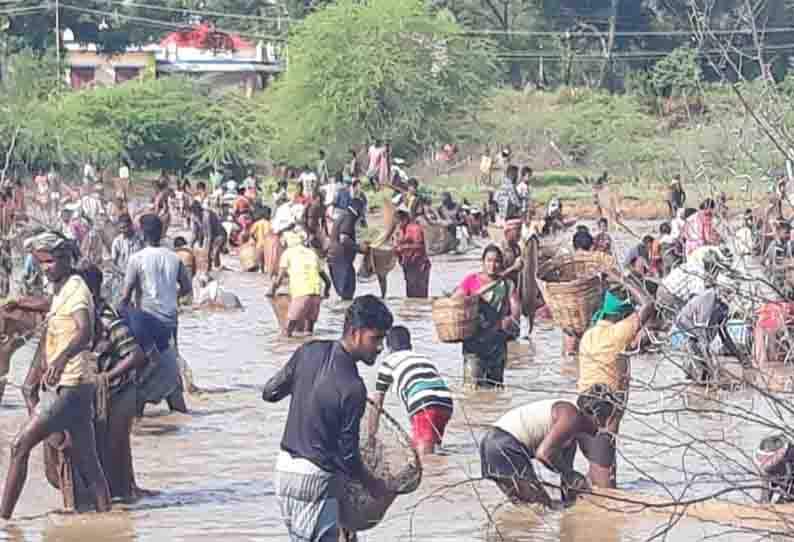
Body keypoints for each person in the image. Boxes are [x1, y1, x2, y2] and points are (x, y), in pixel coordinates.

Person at [263, 295, 393, 542]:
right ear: (355, 333)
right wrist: (373, 484)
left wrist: (305, 387)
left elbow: (270, 393)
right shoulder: (353, 388)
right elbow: (349, 456)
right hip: (315, 479)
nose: (379, 347)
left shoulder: (309, 351)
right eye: (375, 338)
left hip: (284, 471)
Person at [0, 232, 111, 519]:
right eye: (40, 263)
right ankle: (111, 519)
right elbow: (51, 305)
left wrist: (60, 359)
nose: (44, 268)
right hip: (78, 387)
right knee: (89, 461)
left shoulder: (76, 290)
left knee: (18, 447)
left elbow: (85, 330)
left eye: (48, 262)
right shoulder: (65, 287)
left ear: (63, 259)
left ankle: (4, 522)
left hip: (68, 387)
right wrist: (21, 302)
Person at [479, 386, 619, 506]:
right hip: (504, 445)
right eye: (603, 421)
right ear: (592, 414)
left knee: (527, 509)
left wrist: (573, 500)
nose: (603, 427)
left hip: (492, 443)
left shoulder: (570, 430)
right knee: (541, 508)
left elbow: (565, 474)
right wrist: (571, 475)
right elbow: (544, 454)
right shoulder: (571, 417)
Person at [81, 263, 150, 501]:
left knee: (112, 451)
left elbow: (137, 355)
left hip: (120, 393)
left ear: (91, 289)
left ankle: (122, 499)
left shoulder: (107, 318)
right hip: (105, 393)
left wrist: (104, 378)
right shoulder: (83, 315)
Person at [578, 274, 655, 488]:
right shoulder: (617, 333)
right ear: (621, 316)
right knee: (607, 480)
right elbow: (649, 305)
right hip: (605, 405)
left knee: (599, 465)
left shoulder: (589, 335)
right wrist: (628, 281)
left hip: (584, 404)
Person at [119, 215, 192, 413]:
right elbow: (186, 288)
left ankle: (138, 416)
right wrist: (170, 297)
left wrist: (120, 315)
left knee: (142, 368)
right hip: (170, 320)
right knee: (171, 360)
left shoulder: (137, 259)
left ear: (142, 233)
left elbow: (125, 296)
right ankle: (177, 409)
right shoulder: (174, 258)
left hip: (146, 322)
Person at [370, 326, 452, 456]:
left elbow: (377, 403)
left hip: (423, 403)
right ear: (410, 345)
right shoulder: (423, 358)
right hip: (446, 403)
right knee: (434, 449)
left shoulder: (388, 362)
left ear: (389, 348)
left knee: (424, 456)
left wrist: (371, 435)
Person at [454, 245, 520, 388]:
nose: (493, 265)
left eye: (496, 261)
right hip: (474, 343)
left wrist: (512, 320)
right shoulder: (471, 281)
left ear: (501, 264)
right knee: (472, 387)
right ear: (482, 262)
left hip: (497, 343)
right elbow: (455, 302)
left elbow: (515, 306)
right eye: (489, 261)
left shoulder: (507, 285)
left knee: (495, 388)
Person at [672, 288, 745, 382]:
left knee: (704, 343)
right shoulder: (709, 299)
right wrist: (713, 370)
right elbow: (702, 334)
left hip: (701, 325)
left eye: (731, 294)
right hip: (687, 322)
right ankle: (699, 371)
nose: (730, 297)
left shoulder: (724, 307)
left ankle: (703, 371)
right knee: (699, 344)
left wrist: (738, 355)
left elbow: (723, 333)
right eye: (727, 293)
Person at [268, 235, 331, 337]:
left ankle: (288, 349)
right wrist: (326, 292)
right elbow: (327, 281)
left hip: (301, 293)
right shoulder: (312, 253)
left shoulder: (288, 253)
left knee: (287, 330)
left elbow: (279, 278)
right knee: (309, 332)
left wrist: (272, 290)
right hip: (316, 293)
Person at [328, 198, 368, 300]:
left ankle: (341, 314)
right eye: (363, 209)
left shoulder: (344, 215)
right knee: (347, 292)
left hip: (335, 258)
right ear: (357, 208)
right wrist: (359, 248)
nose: (363, 212)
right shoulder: (349, 217)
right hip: (341, 260)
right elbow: (344, 239)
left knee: (345, 294)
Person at [394, 205, 431, 298]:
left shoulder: (414, 229)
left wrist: (403, 248)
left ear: (406, 218)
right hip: (408, 265)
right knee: (410, 295)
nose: (398, 222)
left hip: (420, 266)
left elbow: (419, 245)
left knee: (420, 295)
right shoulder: (401, 230)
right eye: (397, 219)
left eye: (400, 219)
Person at [191, 202, 227, 272]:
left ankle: (217, 270)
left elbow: (209, 235)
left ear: (199, 210)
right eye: (193, 212)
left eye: (196, 212)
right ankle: (210, 270)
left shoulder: (206, 215)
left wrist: (206, 249)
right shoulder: (194, 217)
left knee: (213, 254)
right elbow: (194, 234)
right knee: (207, 257)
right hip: (208, 235)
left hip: (219, 235)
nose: (195, 214)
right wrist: (190, 246)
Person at [763, 220, 794, 293]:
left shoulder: (787, 244)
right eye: (786, 232)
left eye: (787, 232)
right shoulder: (778, 244)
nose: (788, 234)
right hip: (779, 277)